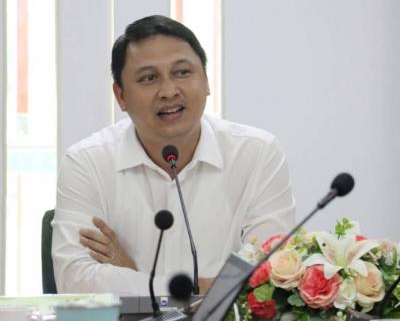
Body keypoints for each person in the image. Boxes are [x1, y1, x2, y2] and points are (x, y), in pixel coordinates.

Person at [52, 15, 295, 296]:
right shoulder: (87, 162)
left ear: (206, 81)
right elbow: (75, 280)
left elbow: (268, 278)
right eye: (148, 78)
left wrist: (135, 278)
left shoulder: (257, 153)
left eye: (182, 72)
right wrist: (201, 289)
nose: (168, 91)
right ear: (121, 96)